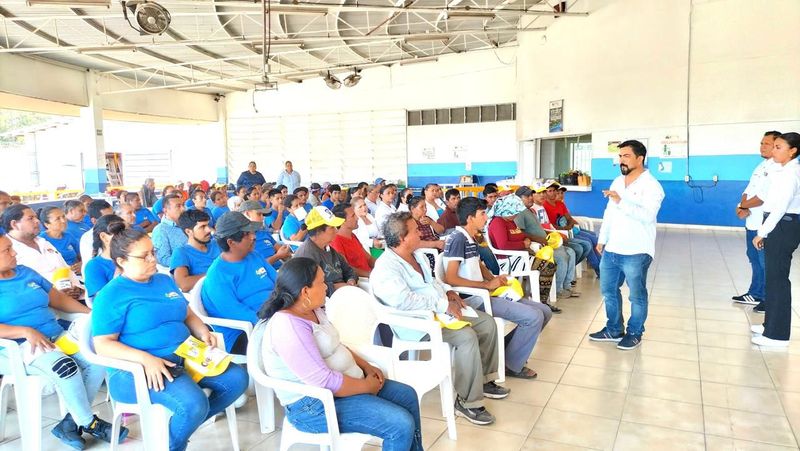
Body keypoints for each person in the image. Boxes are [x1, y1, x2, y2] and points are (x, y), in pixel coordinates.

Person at [91, 228, 248, 451]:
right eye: (144, 256)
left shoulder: (164, 281)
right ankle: (174, 443)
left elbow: (187, 314)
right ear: (121, 261)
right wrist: (146, 359)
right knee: (193, 404)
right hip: (139, 369)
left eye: (152, 252)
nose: (152, 259)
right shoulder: (111, 295)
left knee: (237, 379)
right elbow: (103, 344)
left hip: (186, 353)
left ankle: (176, 432)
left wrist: (202, 331)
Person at [258, 257, 423, 450]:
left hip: (342, 387)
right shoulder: (289, 327)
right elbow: (324, 381)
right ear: (305, 292)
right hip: (313, 406)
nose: (326, 287)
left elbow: (336, 345)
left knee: (407, 396)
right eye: (321, 282)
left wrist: (366, 366)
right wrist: (366, 386)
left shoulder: (313, 310)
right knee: (399, 424)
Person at [371, 212, 506, 426]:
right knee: (466, 337)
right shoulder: (387, 267)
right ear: (402, 238)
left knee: (487, 323)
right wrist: (443, 305)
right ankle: (467, 402)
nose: (420, 233)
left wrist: (449, 292)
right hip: (418, 325)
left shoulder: (418, 255)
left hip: (439, 314)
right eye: (415, 231)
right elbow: (404, 301)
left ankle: (485, 381)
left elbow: (433, 282)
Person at [0, 231, 126, 449]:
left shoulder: (25, 273)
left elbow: (57, 300)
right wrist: (24, 331)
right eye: (7, 250)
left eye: (12, 247)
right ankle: (89, 422)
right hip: (18, 346)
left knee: (97, 356)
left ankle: (69, 423)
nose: (14, 253)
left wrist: (92, 314)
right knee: (66, 367)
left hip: (54, 336)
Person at [443, 196, 552, 379]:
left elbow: (478, 264)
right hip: (473, 299)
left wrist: (494, 278)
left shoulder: (470, 237)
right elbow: (451, 278)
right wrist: (486, 285)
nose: (486, 217)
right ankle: (511, 364)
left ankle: (508, 353)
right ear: (470, 218)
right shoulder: (457, 239)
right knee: (533, 317)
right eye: (482, 214)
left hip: (486, 292)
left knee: (545, 311)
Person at [589, 139, 665, 351]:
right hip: (612, 248)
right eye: (620, 156)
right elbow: (609, 213)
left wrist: (621, 201)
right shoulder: (617, 182)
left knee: (636, 295)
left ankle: (634, 332)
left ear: (640, 159)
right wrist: (602, 239)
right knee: (609, 292)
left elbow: (648, 216)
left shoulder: (652, 186)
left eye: (626, 156)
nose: (621, 160)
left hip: (636, 250)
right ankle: (613, 329)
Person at [201, 212, 278, 353]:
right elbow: (237, 313)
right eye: (247, 234)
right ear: (231, 242)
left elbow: (279, 283)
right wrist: (275, 322)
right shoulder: (217, 276)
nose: (254, 237)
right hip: (243, 332)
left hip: (275, 316)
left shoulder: (254, 256)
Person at [751, 132, 800, 347]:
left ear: (793, 151)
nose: (773, 150)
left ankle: (777, 335)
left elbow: (780, 207)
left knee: (778, 280)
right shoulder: (781, 170)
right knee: (773, 278)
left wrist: (762, 231)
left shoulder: (791, 174)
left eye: (779, 147)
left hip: (782, 226)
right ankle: (769, 324)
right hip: (779, 224)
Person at [734, 130, 781, 310]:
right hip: (751, 222)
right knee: (753, 258)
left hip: (764, 224)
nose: (762, 146)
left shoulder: (777, 168)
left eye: (767, 144)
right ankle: (756, 293)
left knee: (765, 262)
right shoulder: (761, 166)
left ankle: (768, 299)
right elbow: (749, 190)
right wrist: (741, 206)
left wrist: (744, 205)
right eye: (761, 143)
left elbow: (763, 197)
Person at [2, 204, 83, 301]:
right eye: (30, 218)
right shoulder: (7, 252)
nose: (37, 221)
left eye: (36, 217)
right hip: (45, 305)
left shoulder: (43, 242)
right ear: (14, 224)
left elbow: (65, 268)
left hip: (73, 298)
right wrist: (56, 295)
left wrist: (77, 288)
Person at [486, 194, 557, 304]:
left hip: (520, 255)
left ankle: (537, 297)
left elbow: (519, 235)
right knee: (548, 267)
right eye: (514, 212)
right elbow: (503, 245)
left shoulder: (509, 220)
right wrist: (523, 245)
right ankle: (541, 301)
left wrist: (528, 241)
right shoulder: (498, 222)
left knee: (550, 263)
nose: (516, 215)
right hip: (511, 260)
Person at [515, 185, 577, 303]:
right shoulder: (519, 213)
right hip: (538, 245)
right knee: (562, 256)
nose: (530, 198)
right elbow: (521, 232)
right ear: (519, 198)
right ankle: (558, 289)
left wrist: (554, 234)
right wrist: (539, 240)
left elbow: (540, 228)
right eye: (527, 196)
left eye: (530, 195)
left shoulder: (531, 210)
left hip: (545, 241)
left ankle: (566, 286)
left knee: (571, 252)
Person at [293, 206, 358, 296]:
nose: (336, 231)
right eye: (332, 228)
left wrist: (351, 280)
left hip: (345, 293)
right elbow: (310, 289)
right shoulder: (306, 255)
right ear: (319, 231)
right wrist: (338, 287)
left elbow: (348, 270)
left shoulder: (327, 247)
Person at [543, 182, 600, 277]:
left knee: (593, 239)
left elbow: (568, 218)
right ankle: (599, 268)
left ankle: (601, 266)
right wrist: (564, 229)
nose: (553, 193)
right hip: (560, 232)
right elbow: (550, 225)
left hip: (569, 229)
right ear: (545, 193)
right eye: (550, 191)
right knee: (588, 242)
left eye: (554, 191)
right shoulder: (544, 206)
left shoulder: (560, 204)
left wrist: (570, 226)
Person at [169, 209, 220, 293]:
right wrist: (217, 274)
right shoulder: (181, 253)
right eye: (202, 227)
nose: (208, 230)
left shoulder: (216, 244)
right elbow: (183, 284)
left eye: (208, 225)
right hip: (209, 296)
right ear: (188, 231)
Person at [239, 201, 291, 269]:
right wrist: (277, 256)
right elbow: (256, 268)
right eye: (259, 214)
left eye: (262, 215)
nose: (262, 218)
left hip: (280, 269)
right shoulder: (241, 240)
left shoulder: (263, 232)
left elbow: (281, 251)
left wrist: (288, 254)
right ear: (247, 214)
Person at [84, 215, 125, 298]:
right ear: (104, 237)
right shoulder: (94, 266)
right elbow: (102, 301)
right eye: (120, 233)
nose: (127, 237)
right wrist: (120, 267)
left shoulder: (135, 257)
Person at [330, 203, 376, 277]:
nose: (357, 218)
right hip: (361, 280)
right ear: (342, 221)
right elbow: (347, 268)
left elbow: (369, 258)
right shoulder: (336, 241)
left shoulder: (352, 235)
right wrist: (371, 275)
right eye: (353, 216)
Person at [151, 194, 187, 267]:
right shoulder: (161, 230)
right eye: (178, 206)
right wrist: (190, 261)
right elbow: (164, 259)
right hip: (182, 270)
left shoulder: (188, 224)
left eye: (183, 205)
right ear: (165, 210)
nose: (183, 209)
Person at [78, 200, 114, 265]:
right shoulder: (87, 239)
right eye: (107, 218)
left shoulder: (118, 231)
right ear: (94, 221)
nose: (113, 220)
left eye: (113, 215)